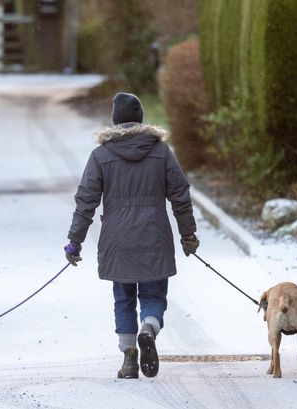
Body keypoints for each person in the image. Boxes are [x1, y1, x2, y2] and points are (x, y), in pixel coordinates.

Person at [64, 92, 200, 379]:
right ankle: (148, 328)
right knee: (154, 294)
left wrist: (74, 242)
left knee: (123, 298)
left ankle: (128, 360)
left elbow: (85, 201)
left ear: (115, 121)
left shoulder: (101, 156)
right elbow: (180, 195)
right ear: (140, 118)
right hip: (154, 236)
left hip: (117, 240)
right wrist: (188, 235)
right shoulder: (161, 152)